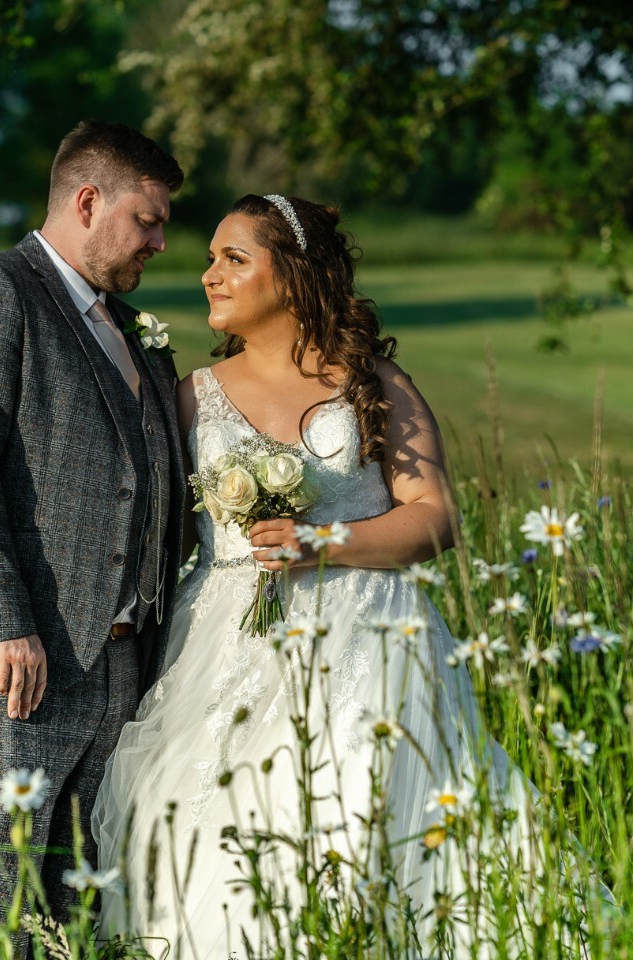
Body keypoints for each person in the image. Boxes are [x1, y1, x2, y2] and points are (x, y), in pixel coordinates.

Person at [91, 196, 596, 958]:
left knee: (358, 805)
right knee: (223, 826)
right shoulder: (191, 393)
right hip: (224, 644)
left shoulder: (373, 380)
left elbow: (435, 517)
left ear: (291, 276)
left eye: (234, 259)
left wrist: (322, 540)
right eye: (210, 259)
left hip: (367, 640)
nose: (209, 275)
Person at [0, 120, 186, 940]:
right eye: (150, 218)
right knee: (4, 904)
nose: (162, 241)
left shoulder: (127, 329)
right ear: (89, 201)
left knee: (77, 912)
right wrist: (4, 622)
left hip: (123, 666)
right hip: (21, 668)